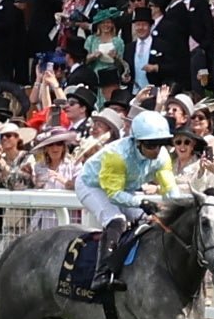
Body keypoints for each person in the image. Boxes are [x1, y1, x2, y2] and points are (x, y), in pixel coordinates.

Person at [67, 107, 181, 293]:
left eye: (160, 144)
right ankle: (101, 274)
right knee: (116, 220)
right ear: (137, 143)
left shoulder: (162, 157)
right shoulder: (117, 157)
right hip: (92, 185)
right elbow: (114, 195)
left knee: (150, 221)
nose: (156, 151)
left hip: (124, 188)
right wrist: (141, 202)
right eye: (151, 145)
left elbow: (170, 189)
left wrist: (178, 210)